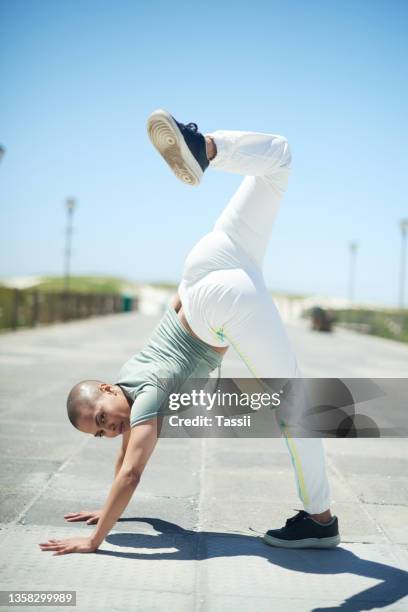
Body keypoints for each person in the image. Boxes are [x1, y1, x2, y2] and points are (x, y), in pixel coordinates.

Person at [39, 110, 340, 556]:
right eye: (100, 433)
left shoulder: (148, 396)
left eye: (102, 419)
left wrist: (95, 539)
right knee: (278, 159)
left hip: (219, 302)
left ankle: (320, 520)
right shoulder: (131, 377)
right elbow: (124, 453)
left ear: (106, 389)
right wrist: (108, 513)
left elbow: (131, 473)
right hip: (204, 265)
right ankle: (206, 148)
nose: (110, 429)